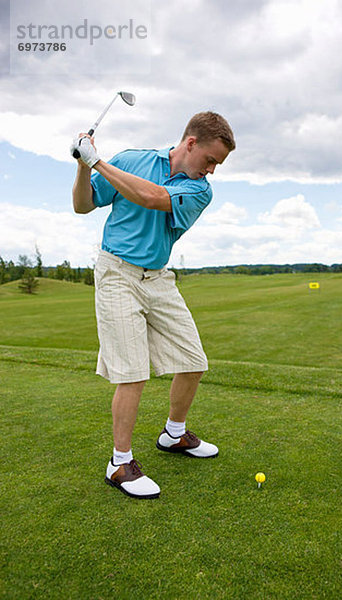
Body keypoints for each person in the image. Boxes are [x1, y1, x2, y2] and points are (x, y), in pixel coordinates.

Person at [71, 111, 235, 499]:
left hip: (158, 278)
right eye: (210, 160)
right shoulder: (132, 159)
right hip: (117, 275)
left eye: (217, 165)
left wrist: (97, 160)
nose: (212, 171)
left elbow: (151, 196)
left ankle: (173, 435)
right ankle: (119, 463)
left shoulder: (200, 191)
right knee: (132, 372)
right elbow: (83, 205)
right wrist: (82, 166)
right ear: (191, 143)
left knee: (194, 360)